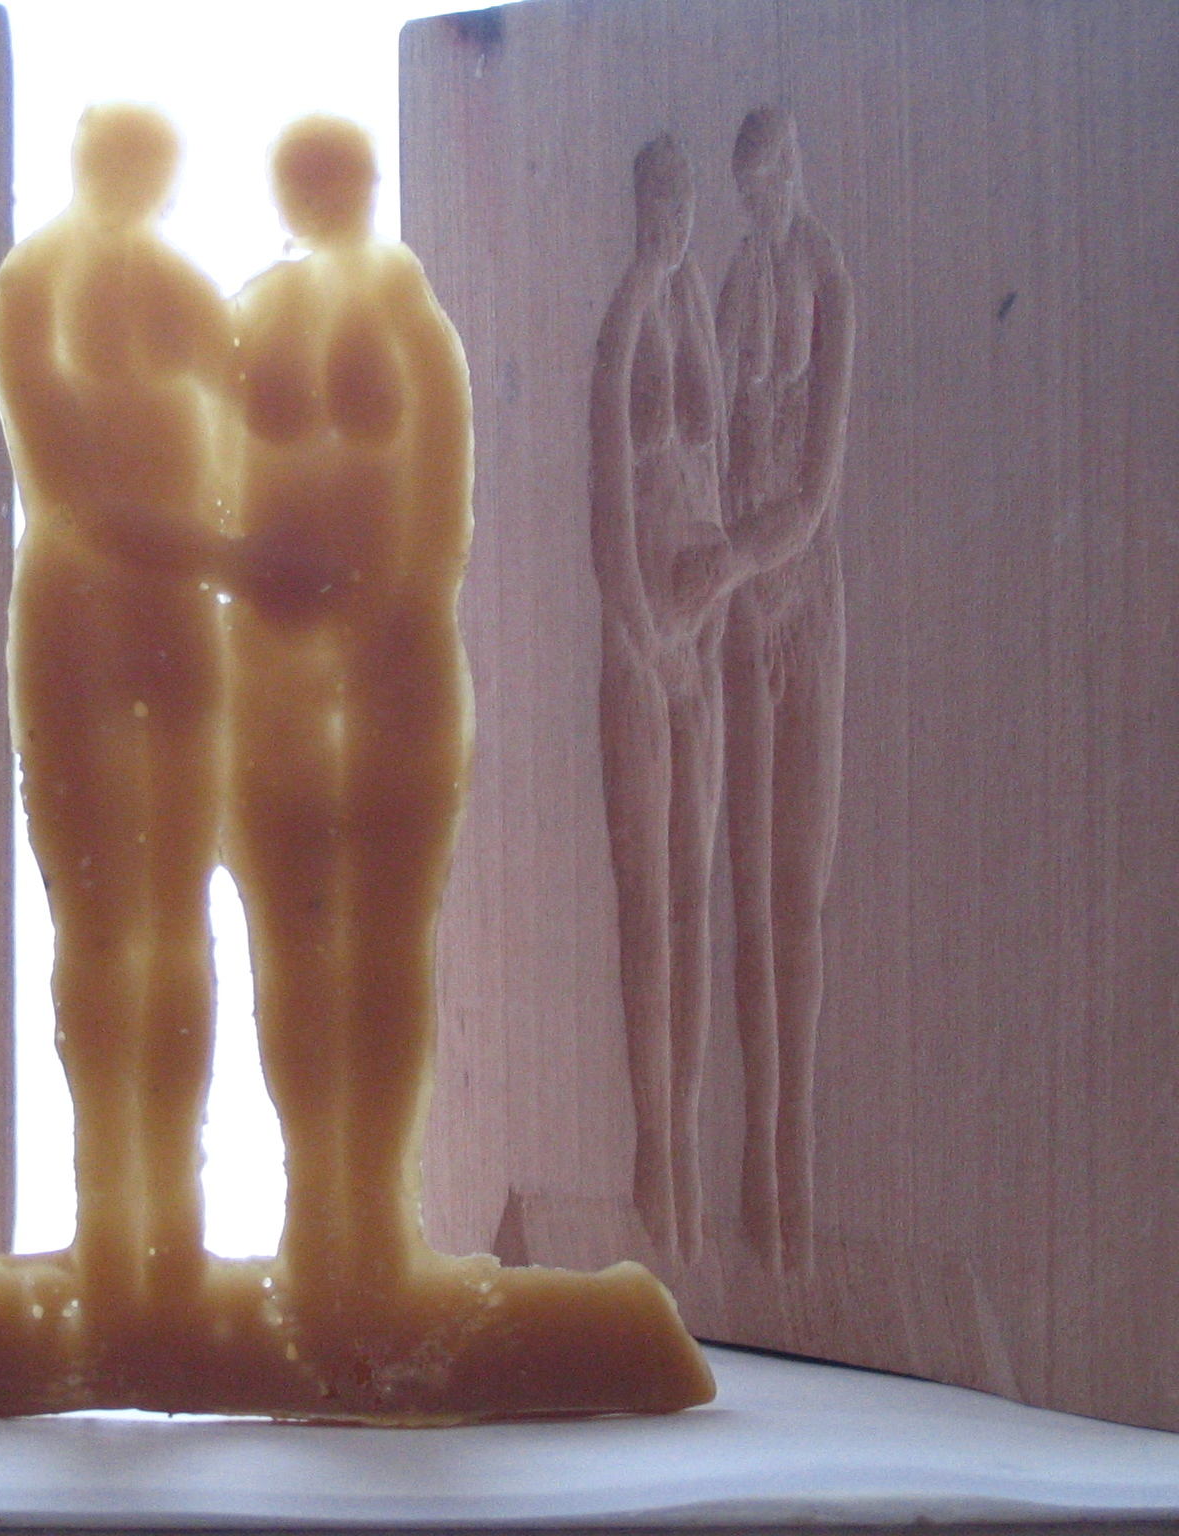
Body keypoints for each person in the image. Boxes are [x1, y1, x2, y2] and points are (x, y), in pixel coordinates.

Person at [0, 102, 234, 1353]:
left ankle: (170, 1224)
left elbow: (253, 427)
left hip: (178, 635)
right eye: (120, 167)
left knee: (179, 919)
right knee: (94, 928)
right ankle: (105, 1217)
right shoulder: (31, 291)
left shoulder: (181, 290)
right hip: (76, 634)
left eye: (153, 173)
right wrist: (241, 556)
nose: (137, 190)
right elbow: (71, 494)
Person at [225, 114, 473, 1345]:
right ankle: (308, 1199)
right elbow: (206, 490)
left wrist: (361, 620)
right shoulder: (249, 319)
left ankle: (370, 1208)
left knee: (381, 950)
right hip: (268, 682)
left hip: (391, 674)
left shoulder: (412, 324)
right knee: (287, 949)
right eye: (303, 178)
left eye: (338, 177)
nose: (322, 196)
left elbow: (437, 522)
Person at [590, 135, 737, 1261]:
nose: (675, 219)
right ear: (641, 205)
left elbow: (718, 485)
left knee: (695, 895)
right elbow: (607, 517)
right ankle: (654, 1144)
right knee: (647, 900)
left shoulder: (695, 314)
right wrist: (650, 634)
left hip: (702, 636)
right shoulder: (628, 319)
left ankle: (688, 1134)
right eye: (662, 201)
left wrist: (711, 611)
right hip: (643, 646)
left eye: (686, 202)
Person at [714, 106, 854, 1272]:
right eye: (752, 186)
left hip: (801, 602)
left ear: (795, 174)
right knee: (748, 891)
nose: (768, 201)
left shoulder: (828, 285)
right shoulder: (731, 284)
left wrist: (731, 564)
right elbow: (716, 454)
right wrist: (722, 571)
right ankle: (754, 1175)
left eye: (779, 179)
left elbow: (810, 493)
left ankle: (793, 1173)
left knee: (796, 892)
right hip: (739, 609)